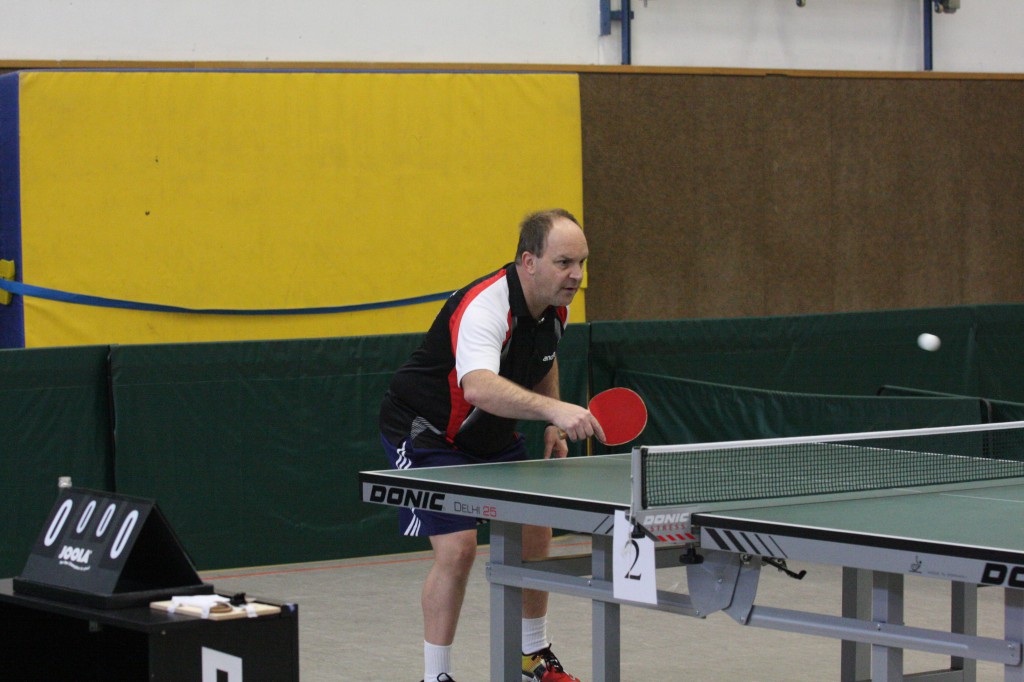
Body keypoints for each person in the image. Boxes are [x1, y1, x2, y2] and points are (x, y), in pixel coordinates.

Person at [379, 209, 604, 682]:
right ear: (529, 261)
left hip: (491, 434)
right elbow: (479, 386)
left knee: (535, 528)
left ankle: (532, 656)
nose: (576, 275)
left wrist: (553, 420)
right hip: (427, 432)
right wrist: (555, 410)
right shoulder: (485, 306)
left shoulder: (555, 307)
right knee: (459, 548)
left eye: (582, 262)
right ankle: (435, 676)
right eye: (564, 262)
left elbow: (545, 358)